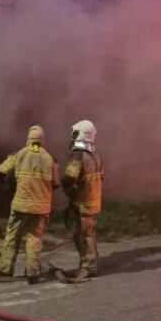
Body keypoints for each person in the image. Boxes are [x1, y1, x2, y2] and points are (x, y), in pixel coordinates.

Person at [0, 125, 59, 284]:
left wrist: (8, 185)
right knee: (35, 238)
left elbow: (1, 170)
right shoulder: (50, 158)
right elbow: (56, 183)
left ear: (28, 138)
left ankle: (5, 271)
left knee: (13, 236)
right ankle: (32, 273)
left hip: (20, 205)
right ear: (42, 140)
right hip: (41, 207)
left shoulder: (19, 154)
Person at [60, 120, 104, 284]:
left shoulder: (79, 155)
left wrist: (69, 191)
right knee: (89, 233)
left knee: (82, 235)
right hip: (94, 201)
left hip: (82, 203)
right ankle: (92, 261)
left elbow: (69, 178)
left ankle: (89, 266)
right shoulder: (96, 155)